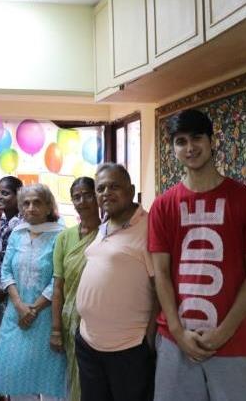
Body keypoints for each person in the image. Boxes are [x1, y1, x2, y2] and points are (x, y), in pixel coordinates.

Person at [148, 109, 246, 401]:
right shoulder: (163, 206)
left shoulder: (243, 200)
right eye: (181, 141)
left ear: (211, 140)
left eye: (196, 138)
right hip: (175, 341)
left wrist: (223, 333)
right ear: (173, 149)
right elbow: (162, 275)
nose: (190, 147)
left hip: (235, 341)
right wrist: (179, 333)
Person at [75, 163, 157, 401]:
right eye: (100, 189)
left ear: (131, 190)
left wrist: (149, 339)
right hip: (89, 343)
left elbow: (160, 288)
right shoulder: (105, 226)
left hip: (128, 347)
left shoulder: (149, 227)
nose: (106, 193)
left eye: (114, 186)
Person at [0, 183, 66, 400]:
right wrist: (19, 306)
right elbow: (5, 272)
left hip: (47, 318)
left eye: (37, 202)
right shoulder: (17, 233)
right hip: (16, 316)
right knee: (16, 377)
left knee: (48, 378)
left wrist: (33, 309)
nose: (31, 207)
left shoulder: (60, 235)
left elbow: (58, 278)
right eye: (26, 203)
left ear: (48, 206)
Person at [51, 177, 101, 401]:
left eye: (88, 195)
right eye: (76, 197)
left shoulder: (107, 233)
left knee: (96, 378)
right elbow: (58, 286)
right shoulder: (64, 238)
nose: (82, 201)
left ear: (98, 197)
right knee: (73, 375)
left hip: (100, 320)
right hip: (71, 320)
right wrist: (56, 329)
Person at [0, 176, 23, 360]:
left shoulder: (19, 225)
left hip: (10, 294)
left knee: (12, 349)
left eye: (5, 193)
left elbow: (11, 264)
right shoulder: (4, 221)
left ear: (19, 195)